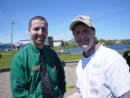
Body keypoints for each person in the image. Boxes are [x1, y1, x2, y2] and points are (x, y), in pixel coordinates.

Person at [67, 15, 130, 98]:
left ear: (94, 32)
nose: (81, 36)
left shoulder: (111, 58)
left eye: (85, 30)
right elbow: (79, 92)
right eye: (77, 32)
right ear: (74, 36)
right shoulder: (80, 63)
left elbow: (126, 95)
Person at [10, 16, 66, 98]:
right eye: (36, 29)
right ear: (29, 31)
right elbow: (18, 92)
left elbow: (60, 75)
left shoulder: (52, 54)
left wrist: (61, 93)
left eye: (44, 29)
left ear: (47, 32)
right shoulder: (19, 58)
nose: (40, 33)